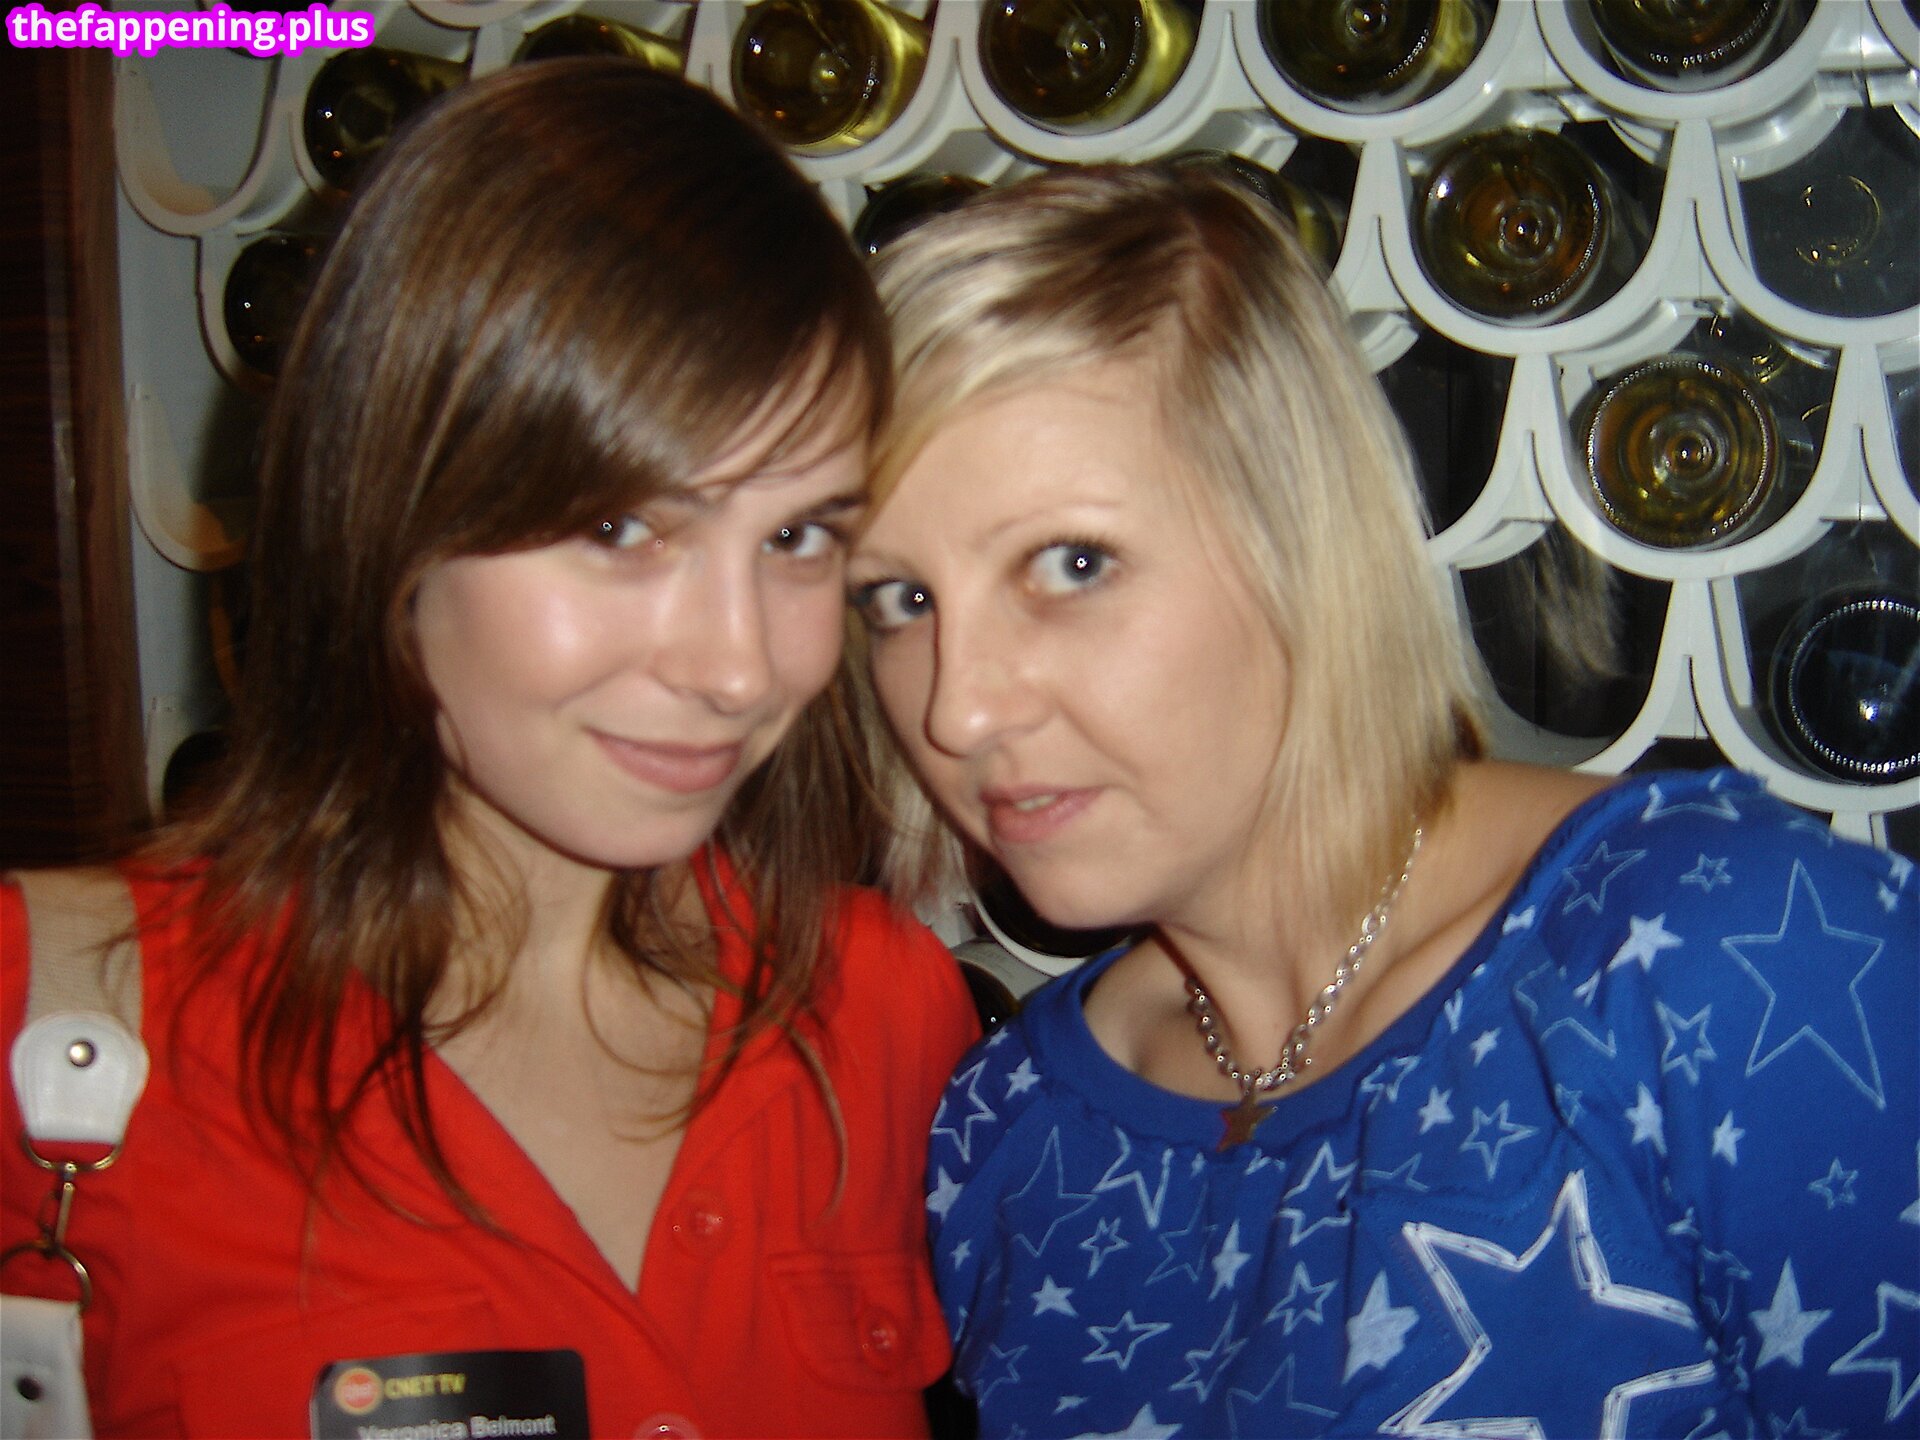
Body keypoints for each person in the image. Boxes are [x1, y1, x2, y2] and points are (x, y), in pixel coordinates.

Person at [848, 162, 1919, 1438]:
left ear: (1303, 541)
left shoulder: (1727, 961)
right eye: (900, 599)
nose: (958, 709)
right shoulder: (1012, 1131)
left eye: (1071, 563)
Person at [0, 62, 977, 1438]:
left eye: (799, 535)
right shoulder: (53, 1034)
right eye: (621, 528)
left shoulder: (881, 1013)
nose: (741, 666)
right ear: (391, 514)